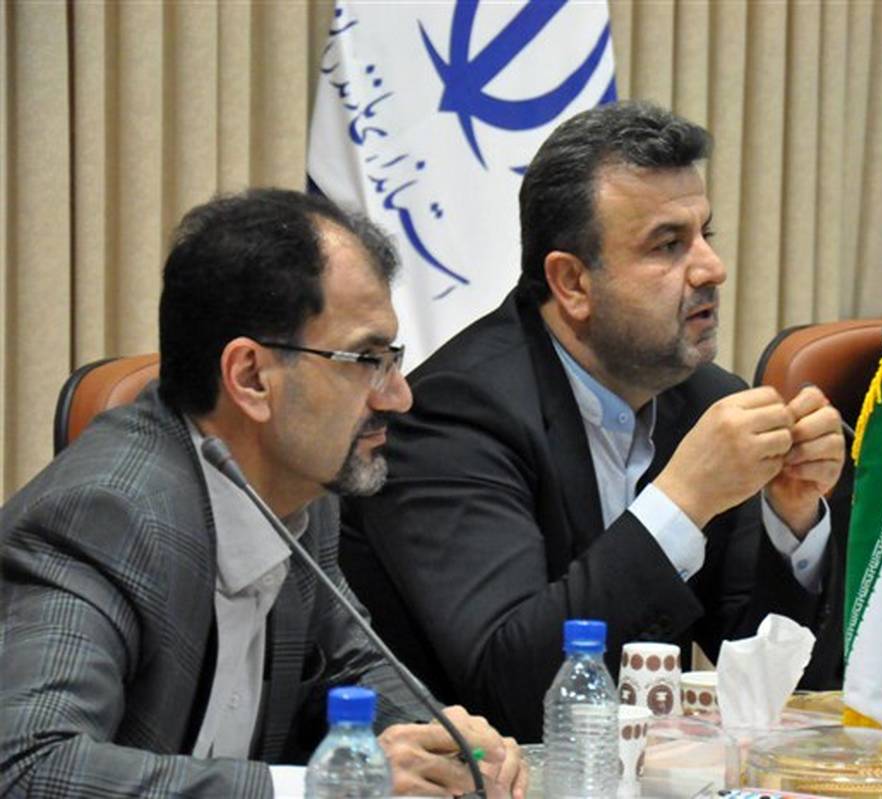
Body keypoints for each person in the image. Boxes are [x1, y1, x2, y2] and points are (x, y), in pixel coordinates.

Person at [340, 101, 847, 742]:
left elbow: (788, 696)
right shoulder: (455, 414)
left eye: (705, 235)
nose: (711, 268)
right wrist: (682, 501)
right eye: (668, 245)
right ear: (573, 283)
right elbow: (518, 693)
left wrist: (792, 524)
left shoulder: (703, 399)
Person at [0, 189, 525, 797]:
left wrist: (445, 748)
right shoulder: (105, 516)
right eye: (366, 359)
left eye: (393, 359)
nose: (398, 397)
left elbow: (352, 665)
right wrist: (326, 788)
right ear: (250, 377)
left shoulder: (301, 488)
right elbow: (30, 766)